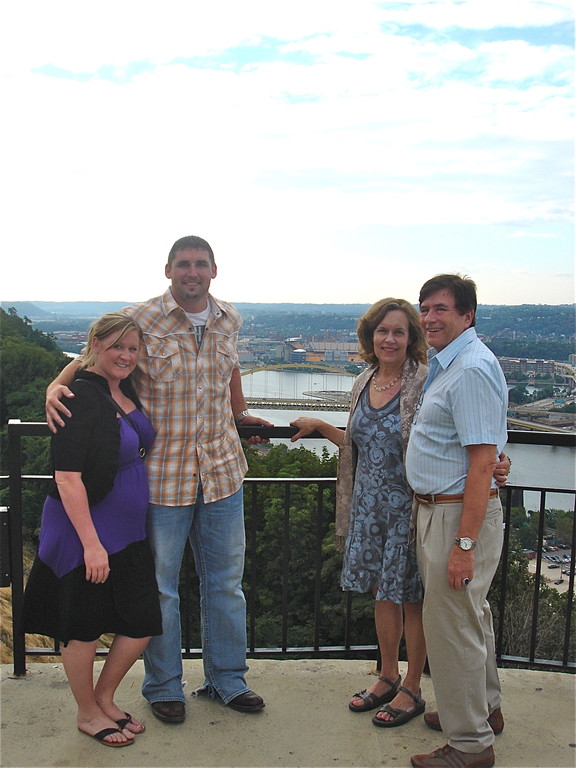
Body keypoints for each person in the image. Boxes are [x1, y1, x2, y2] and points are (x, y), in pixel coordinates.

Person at [45, 235, 273, 724]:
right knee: (161, 588)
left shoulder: (229, 318)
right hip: (163, 479)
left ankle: (227, 680)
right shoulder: (142, 318)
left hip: (223, 472)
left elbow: (231, 367)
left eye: (201, 264)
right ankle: (165, 686)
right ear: (168, 270)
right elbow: (95, 354)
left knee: (226, 585)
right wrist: (54, 386)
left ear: (214, 270)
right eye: (183, 264)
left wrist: (242, 413)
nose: (192, 272)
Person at [23, 313, 161, 748]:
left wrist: (54, 381)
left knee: (141, 619)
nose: (125, 355)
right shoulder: (81, 397)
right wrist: (91, 545)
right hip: (82, 530)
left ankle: (104, 696)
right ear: (96, 346)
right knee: (81, 624)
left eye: (132, 348)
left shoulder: (124, 388)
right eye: (116, 346)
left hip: (128, 529)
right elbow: (66, 477)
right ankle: (87, 712)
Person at [406, 274, 508, 768]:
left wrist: (464, 543)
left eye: (442, 309)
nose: (430, 318)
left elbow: (483, 462)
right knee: (472, 616)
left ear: (467, 315)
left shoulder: (468, 369)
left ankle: (469, 744)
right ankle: (484, 710)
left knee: (451, 628)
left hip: (453, 516)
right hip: (441, 509)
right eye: (425, 308)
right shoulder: (450, 364)